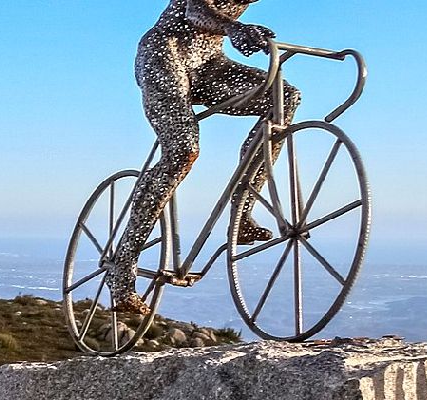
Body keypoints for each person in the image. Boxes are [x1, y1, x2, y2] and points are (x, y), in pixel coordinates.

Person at [105, 0, 302, 314]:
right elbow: (194, 10)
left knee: (284, 97)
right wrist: (234, 27)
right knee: (182, 151)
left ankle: (243, 212)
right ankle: (123, 268)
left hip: (210, 62)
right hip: (164, 55)